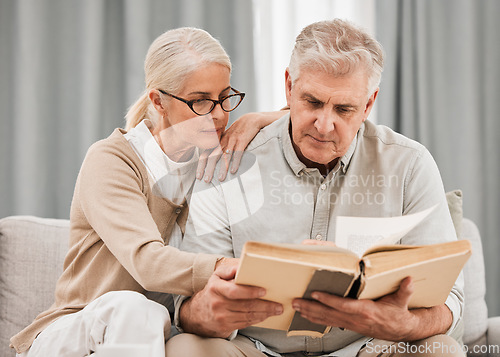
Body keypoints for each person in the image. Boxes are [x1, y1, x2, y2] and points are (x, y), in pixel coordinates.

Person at [168, 19, 466, 357]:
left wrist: (406, 326)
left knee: (442, 349)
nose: (324, 126)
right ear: (289, 87)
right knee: (184, 347)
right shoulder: (230, 161)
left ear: (368, 105)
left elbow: (451, 300)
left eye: (344, 109)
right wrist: (205, 313)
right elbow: (185, 304)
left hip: (366, 348)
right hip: (254, 348)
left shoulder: (409, 164)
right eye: (312, 102)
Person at [10, 27, 282, 357]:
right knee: (138, 311)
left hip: (157, 342)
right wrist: (236, 267)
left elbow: (310, 115)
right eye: (200, 102)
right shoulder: (113, 159)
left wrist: (256, 119)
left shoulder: (210, 155)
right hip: (78, 333)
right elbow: (148, 262)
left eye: (225, 97)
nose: (220, 115)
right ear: (158, 101)